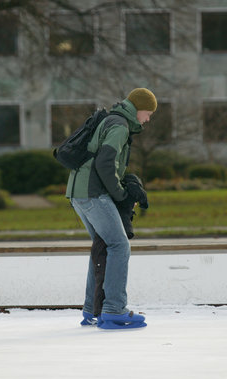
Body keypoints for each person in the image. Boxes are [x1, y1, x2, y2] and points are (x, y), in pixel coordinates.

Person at [66, 88, 157, 330]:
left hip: (78, 193)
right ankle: (114, 310)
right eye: (148, 114)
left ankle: (91, 310)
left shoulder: (111, 120)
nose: (148, 119)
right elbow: (105, 163)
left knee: (103, 245)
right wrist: (121, 195)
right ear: (139, 109)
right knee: (119, 245)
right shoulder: (120, 126)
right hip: (93, 193)